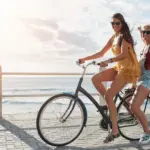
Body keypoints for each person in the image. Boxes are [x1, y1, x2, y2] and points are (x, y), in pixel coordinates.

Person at [78, 13, 141, 143]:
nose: (115, 26)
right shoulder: (114, 37)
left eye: (117, 23)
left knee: (107, 96)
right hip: (119, 68)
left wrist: (108, 61)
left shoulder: (124, 37)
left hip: (127, 69)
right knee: (95, 79)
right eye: (112, 23)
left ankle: (115, 130)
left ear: (122, 24)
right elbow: (101, 53)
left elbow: (124, 55)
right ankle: (110, 104)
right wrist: (84, 59)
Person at [131, 24, 150, 144]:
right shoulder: (146, 46)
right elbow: (144, 37)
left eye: (149, 32)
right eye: (144, 32)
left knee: (134, 106)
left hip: (148, 80)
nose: (145, 34)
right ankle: (143, 125)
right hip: (141, 78)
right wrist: (140, 31)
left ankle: (147, 133)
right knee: (129, 103)